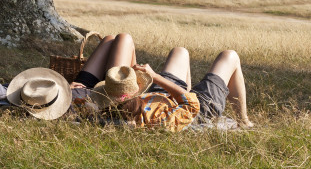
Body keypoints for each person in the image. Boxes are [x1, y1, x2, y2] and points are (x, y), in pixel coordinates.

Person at [91, 47, 253, 130]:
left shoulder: (112, 110)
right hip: (197, 109)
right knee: (230, 56)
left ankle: (180, 87)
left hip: (158, 97)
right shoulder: (159, 121)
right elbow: (192, 103)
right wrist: (154, 76)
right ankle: (243, 121)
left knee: (179, 51)